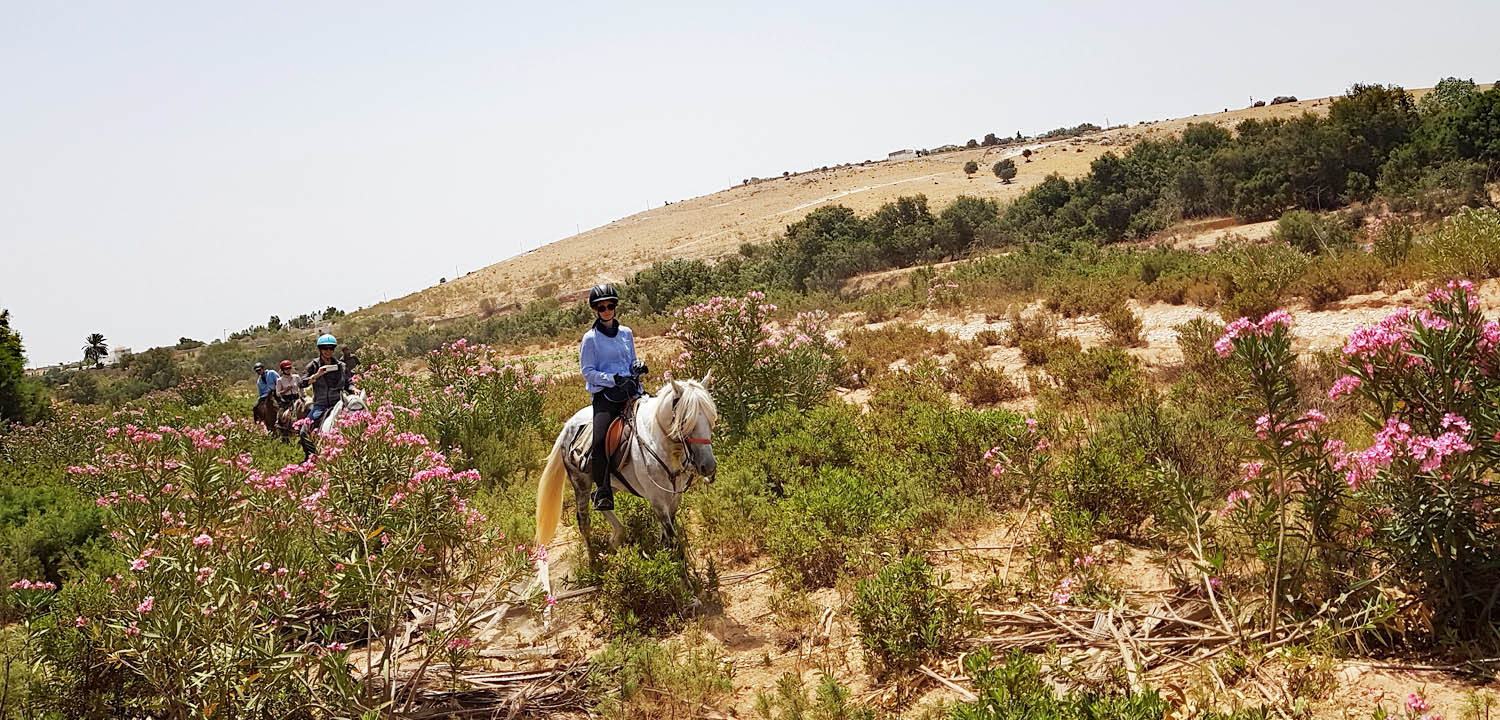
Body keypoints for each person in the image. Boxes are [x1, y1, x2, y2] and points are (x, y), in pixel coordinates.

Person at [579, 284, 648, 510]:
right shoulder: (590, 339)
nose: (607, 310)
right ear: (595, 310)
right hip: (606, 397)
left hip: (631, 391)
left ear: (615, 306)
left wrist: (636, 367)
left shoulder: (626, 333)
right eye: (601, 307)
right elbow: (587, 371)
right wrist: (611, 379)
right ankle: (603, 491)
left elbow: (631, 360)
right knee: (599, 442)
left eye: (610, 306)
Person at [298, 334, 354, 458]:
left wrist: (354, 389)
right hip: (320, 404)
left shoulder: (341, 366)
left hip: (338, 403)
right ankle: (311, 457)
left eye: (331, 348)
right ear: (320, 349)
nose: (328, 351)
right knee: (303, 431)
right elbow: (301, 383)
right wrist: (316, 376)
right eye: (325, 348)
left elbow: (348, 383)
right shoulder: (313, 365)